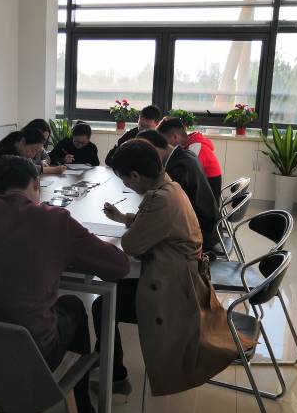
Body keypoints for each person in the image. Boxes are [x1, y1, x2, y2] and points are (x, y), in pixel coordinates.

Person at [0, 156, 129, 413]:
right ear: (36, 184)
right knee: (73, 306)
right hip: (29, 355)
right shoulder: (54, 219)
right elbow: (118, 267)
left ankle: (11, 411)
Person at [93, 139, 248, 397]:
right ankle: (108, 364)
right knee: (112, 290)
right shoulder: (170, 187)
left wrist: (129, 226)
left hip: (176, 290)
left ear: (135, 175)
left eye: (124, 180)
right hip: (184, 278)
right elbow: (153, 223)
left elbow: (131, 244)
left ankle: (115, 375)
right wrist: (124, 218)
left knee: (103, 304)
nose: (125, 186)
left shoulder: (160, 200)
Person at [136, 129, 220, 249]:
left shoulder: (178, 169)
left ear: (153, 148)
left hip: (199, 235)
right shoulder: (185, 154)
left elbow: (165, 211)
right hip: (207, 224)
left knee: (139, 246)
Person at [157, 117, 223, 202]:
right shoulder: (189, 145)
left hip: (206, 201)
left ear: (175, 137)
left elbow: (180, 182)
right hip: (200, 195)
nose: (162, 145)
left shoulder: (195, 149)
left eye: (163, 141)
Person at [0, 128, 45, 194]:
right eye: (33, 150)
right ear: (23, 142)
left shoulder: (18, 151)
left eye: (36, 152)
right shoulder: (2, 156)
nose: (33, 155)